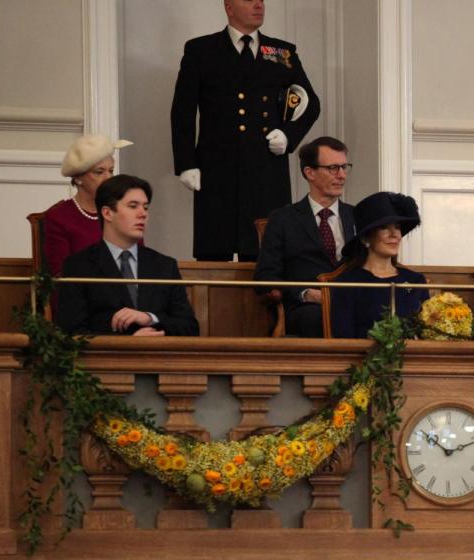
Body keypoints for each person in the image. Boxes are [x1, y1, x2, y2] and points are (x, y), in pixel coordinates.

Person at [171, 0, 321, 262]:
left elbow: (310, 103)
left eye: (261, 0)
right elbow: (183, 111)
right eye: (249, 0)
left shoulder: (281, 52)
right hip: (217, 166)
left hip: (266, 167)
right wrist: (186, 163)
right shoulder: (201, 50)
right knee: (214, 249)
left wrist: (288, 135)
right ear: (229, 7)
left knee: (265, 252)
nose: (258, 5)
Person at [56, 175, 199, 337]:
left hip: (160, 359)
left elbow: (190, 327)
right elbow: (70, 332)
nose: (143, 214)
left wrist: (150, 318)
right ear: (107, 213)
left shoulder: (165, 266)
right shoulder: (78, 266)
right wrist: (128, 341)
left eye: (145, 207)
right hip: (106, 360)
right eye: (133, 206)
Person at [254, 137, 355, 337]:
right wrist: (305, 293)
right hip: (306, 308)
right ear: (310, 173)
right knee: (319, 317)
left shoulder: (358, 216)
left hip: (353, 303)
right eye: (333, 168)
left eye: (345, 167)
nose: (342, 175)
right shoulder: (283, 219)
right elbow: (265, 278)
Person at [330, 192, 429, 339]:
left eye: (397, 227)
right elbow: (343, 338)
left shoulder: (416, 281)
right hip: (362, 360)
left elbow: (426, 334)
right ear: (365, 238)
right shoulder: (346, 283)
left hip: (413, 360)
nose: (394, 234)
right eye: (384, 227)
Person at [43, 134, 133, 277]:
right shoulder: (58, 218)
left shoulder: (124, 212)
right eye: (99, 172)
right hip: (81, 295)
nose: (108, 178)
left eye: (111, 171)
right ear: (78, 177)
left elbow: (140, 265)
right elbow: (62, 274)